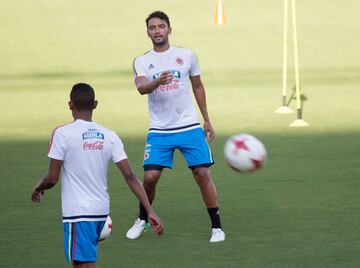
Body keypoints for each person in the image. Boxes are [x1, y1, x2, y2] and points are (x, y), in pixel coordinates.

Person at [31, 83, 164, 268]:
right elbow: (131, 176)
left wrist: (38, 187)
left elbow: (52, 178)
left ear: (70, 104)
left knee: (84, 264)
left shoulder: (62, 133)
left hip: (78, 212)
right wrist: (149, 210)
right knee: (82, 263)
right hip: (101, 211)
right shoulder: (109, 135)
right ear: (95, 104)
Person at [127, 11, 225, 243]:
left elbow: (198, 87)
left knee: (202, 173)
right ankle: (143, 219)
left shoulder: (187, 55)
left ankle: (217, 227)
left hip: (189, 125)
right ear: (148, 32)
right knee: (150, 177)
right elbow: (141, 88)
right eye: (153, 27)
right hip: (160, 129)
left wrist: (207, 119)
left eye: (162, 26)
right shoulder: (141, 61)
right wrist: (157, 82)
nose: (157, 31)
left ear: (170, 29)